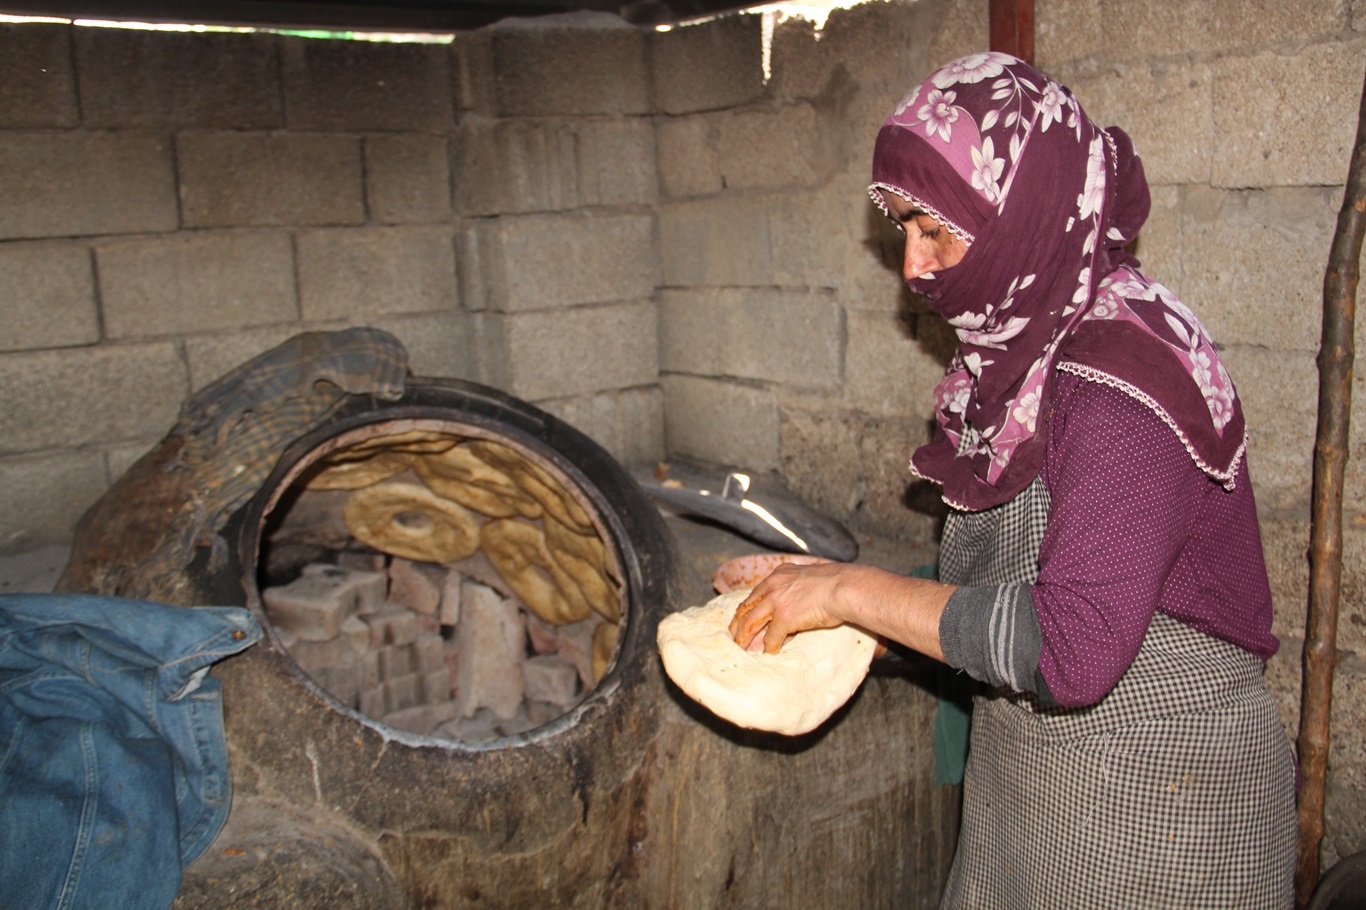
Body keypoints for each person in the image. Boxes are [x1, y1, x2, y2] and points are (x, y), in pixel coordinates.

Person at [730, 52, 1297, 908]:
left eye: (936, 230)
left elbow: (1068, 648)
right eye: (903, 234)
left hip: (1160, 811)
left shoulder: (1123, 376)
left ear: (1018, 207)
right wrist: (837, 608)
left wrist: (852, 592)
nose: (914, 269)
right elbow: (997, 597)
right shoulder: (1010, 369)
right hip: (1034, 799)